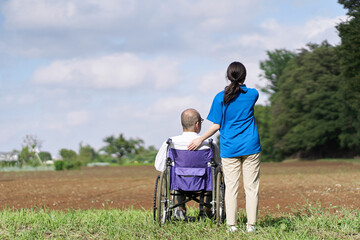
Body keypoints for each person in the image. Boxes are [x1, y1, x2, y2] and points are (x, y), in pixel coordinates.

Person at [188, 62, 261, 233]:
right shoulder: (253, 94)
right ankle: (251, 226)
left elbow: (216, 125)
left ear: (228, 76)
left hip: (230, 148)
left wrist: (200, 139)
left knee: (231, 187)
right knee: (252, 188)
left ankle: (232, 226)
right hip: (251, 146)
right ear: (244, 76)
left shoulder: (220, 97)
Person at [155, 108, 220, 219]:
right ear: (197, 124)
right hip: (204, 182)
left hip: (180, 182)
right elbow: (219, 163)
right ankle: (207, 209)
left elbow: (159, 165)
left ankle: (180, 208)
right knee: (216, 171)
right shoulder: (209, 143)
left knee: (174, 171)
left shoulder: (171, 142)